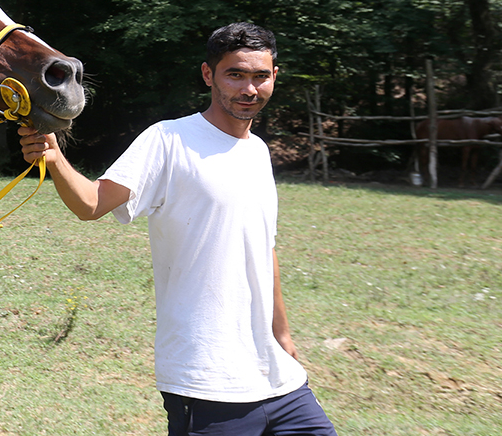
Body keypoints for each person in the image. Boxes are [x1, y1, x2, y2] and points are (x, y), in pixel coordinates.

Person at [19, 23, 337, 435]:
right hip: (206, 380)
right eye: (235, 74)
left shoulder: (257, 151)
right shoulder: (169, 139)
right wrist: (54, 158)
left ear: (275, 76)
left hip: (278, 379)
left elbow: (264, 248)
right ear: (209, 75)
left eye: (260, 76)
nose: (249, 89)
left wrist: (283, 333)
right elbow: (91, 204)